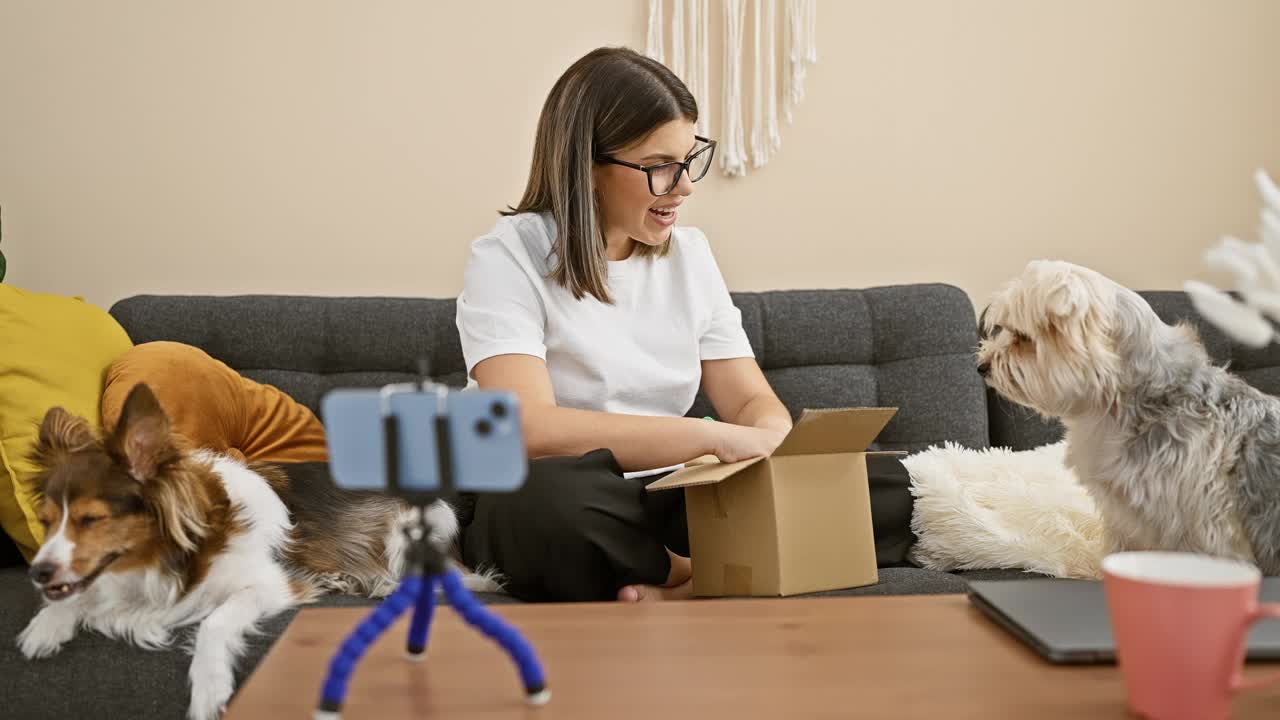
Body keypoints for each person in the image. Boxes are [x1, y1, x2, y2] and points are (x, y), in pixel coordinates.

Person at [454, 46, 793, 603]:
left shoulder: (692, 255)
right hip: (556, 488)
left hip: (671, 489)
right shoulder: (507, 256)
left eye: (690, 159)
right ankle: (687, 570)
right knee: (543, 507)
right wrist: (709, 436)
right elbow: (532, 432)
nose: (684, 187)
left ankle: (646, 567)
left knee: (884, 480)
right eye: (660, 166)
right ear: (587, 165)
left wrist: (774, 447)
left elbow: (752, 401)